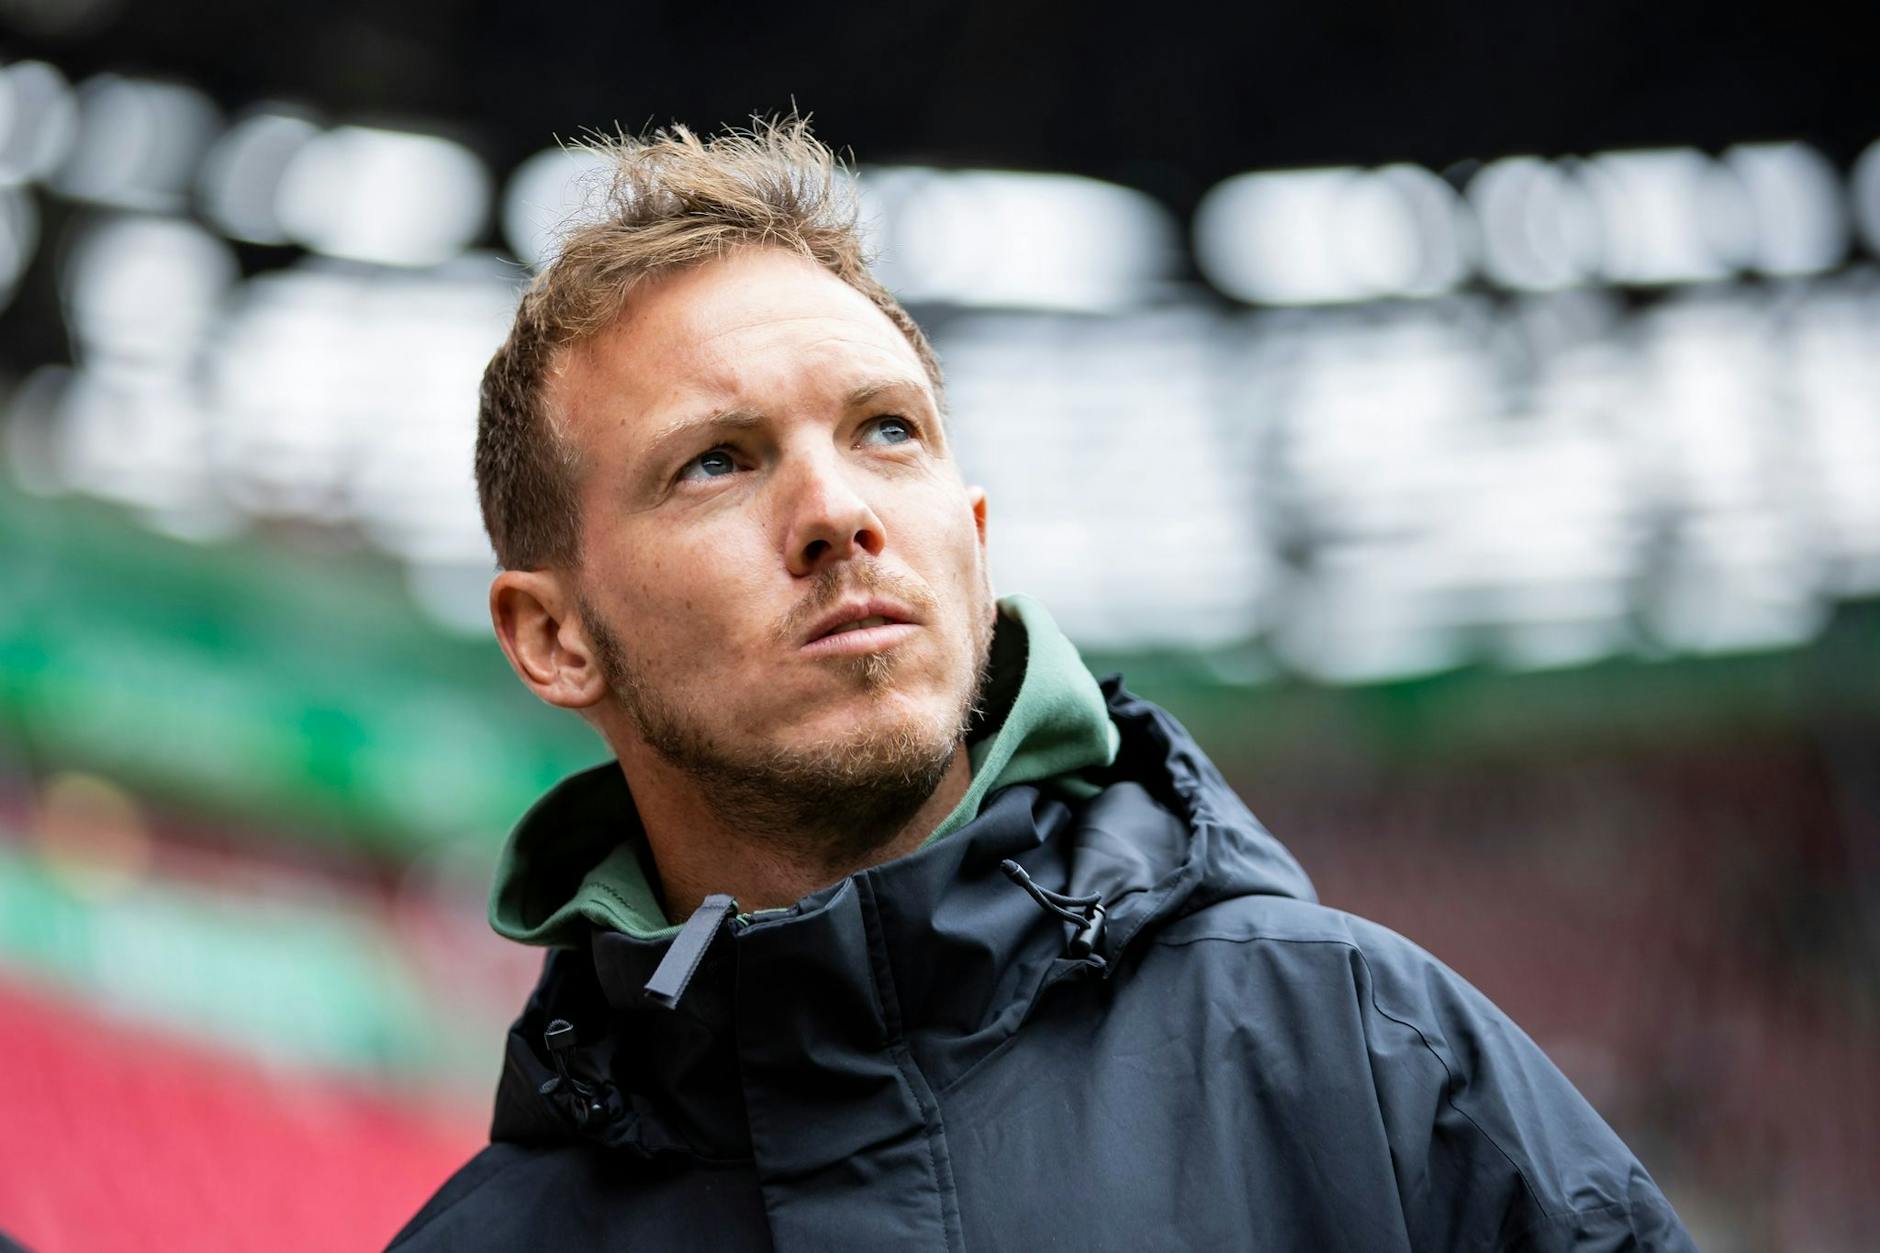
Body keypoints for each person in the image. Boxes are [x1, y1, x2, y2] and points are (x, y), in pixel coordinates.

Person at [390, 118, 1692, 1251]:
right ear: (553, 637)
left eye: (886, 430)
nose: (838, 511)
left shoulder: (1366, 1057)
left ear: (973, 538)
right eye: (717, 461)